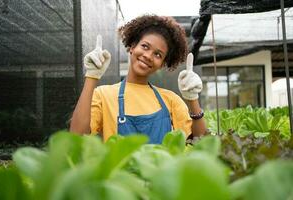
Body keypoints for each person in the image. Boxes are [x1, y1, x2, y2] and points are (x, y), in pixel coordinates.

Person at [70, 15, 207, 144]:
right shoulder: (103, 95)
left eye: (158, 55)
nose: (148, 56)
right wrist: (91, 77)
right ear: (132, 46)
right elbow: (77, 137)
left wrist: (193, 100)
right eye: (145, 46)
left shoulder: (170, 100)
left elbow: (199, 142)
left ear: (162, 64)